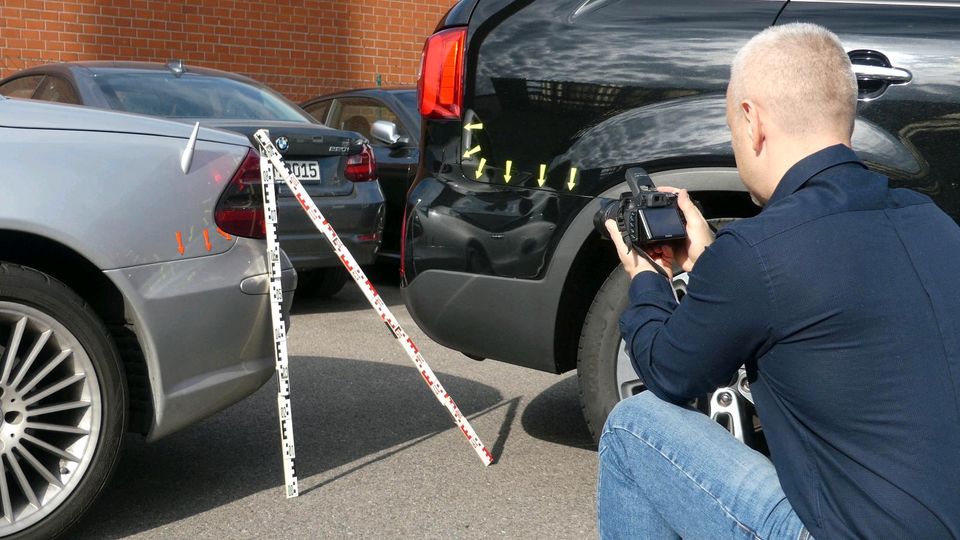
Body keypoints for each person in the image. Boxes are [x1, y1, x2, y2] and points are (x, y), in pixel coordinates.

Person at [597, 22, 960, 539]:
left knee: (636, 427)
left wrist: (647, 279)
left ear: (751, 121)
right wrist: (710, 263)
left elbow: (671, 372)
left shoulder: (759, 251)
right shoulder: (933, 222)